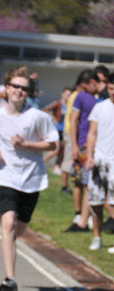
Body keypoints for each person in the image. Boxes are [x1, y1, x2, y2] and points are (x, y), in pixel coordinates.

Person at [0, 66, 58, 291]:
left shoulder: (39, 117)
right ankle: (10, 279)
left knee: (18, 230)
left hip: (31, 179)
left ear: (29, 93)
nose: (19, 91)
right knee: (8, 223)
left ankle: (10, 247)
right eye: (15, 86)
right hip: (4, 176)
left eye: (24, 88)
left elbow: (53, 143)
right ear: (6, 88)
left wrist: (27, 145)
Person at [65, 69, 98, 232]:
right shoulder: (81, 96)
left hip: (93, 144)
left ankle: (88, 216)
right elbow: (73, 119)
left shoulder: (98, 97)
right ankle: (80, 215)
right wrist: (75, 145)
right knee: (80, 180)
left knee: (87, 182)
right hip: (84, 144)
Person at [85, 71, 114, 251]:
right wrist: (89, 156)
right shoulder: (100, 107)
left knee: (112, 202)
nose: (113, 92)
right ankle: (97, 237)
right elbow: (92, 133)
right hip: (98, 159)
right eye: (111, 88)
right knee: (95, 201)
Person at [42, 86, 71, 175]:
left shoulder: (69, 105)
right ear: (62, 94)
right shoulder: (58, 103)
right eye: (67, 94)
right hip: (56, 130)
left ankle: (57, 167)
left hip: (64, 131)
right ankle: (42, 162)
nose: (68, 96)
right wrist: (52, 118)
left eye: (69, 95)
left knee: (61, 151)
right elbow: (45, 110)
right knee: (56, 150)